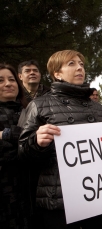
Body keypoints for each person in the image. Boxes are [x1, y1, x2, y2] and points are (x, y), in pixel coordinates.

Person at [18, 50, 102, 229]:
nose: (79, 68)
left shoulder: (98, 108)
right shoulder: (39, 105)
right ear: (57, 74)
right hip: (59, 198)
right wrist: (37, 143)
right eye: (71, 64)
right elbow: (22, 153)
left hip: (97, 194)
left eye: (81, 64)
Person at [0, 63, 29, 228]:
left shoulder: (32, 110)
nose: (8, 84)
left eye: (11, 79)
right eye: (1, 80)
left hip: (29, 189)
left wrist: (5, 134)